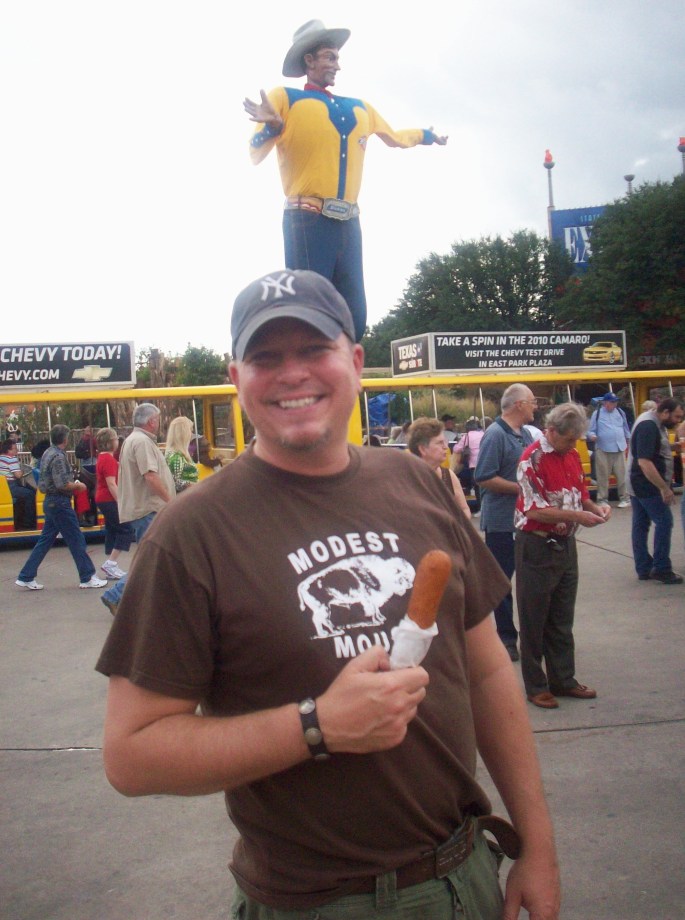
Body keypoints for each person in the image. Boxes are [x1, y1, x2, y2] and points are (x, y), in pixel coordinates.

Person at [96, 269, 560, 920]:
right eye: (265, 356)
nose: (292, 373)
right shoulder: (191, 534)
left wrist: (536, 845)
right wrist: (316, 727)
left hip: (468, 875)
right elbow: (132, 755)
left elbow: (484, 671)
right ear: (236, 378)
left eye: (313, 349)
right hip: (314, 904)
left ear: (355, 362)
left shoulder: (417, 483)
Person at [243, 21, 448, 342]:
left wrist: (427, 136)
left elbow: (394, 137)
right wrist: (273, 126)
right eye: (329, 57)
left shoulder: (359, 107)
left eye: (337, 58)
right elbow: (255, 152)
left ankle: (347, 384)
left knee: (355, 315)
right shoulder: (285, 98)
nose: (337, 65)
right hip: (307, 219)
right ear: (309, 61)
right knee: (311, 310)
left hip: (349, 221)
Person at [514, 404, 610, 709]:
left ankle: (563, 679)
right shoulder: (532, 459)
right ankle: (536, 685)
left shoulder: (569, 454)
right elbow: (535, 509)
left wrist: (594, 508)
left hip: (565, 543)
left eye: (576, 441)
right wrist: (579, 516)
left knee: (561, 616)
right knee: (534, 617)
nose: (573, 446)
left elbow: (579, 492)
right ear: (552, 431)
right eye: (569, 440)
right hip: (537, 544)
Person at [474, 385, 538, 662]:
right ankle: (506, 638)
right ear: (519, 404)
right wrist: (521, 489)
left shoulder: (523, 434)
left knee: (531, 580)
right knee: (502, 583)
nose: (536, 406)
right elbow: (483, 477)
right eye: (533, 402)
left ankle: (532, 637)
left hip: (526, 520)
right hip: (502, 523)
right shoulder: (496, 434)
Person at [100, 404, 175, 616]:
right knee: (151, 560)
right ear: (151, 421)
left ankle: (134, 600)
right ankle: (116, 595)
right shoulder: (141, 442)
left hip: (144, 509)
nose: (159, 424)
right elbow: (150, 476)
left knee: (153, 558)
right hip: (147, 509)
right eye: (158, 420)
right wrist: (171, 502)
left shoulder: (134, 440)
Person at [15, 425, 107, 591]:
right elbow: (62, 484)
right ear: (65, 439)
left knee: (45, 541)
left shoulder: (48, 453)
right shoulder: (58, 457)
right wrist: (79, 487)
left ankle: (26, 575)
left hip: (50, 501)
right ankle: (87, 576)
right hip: (60, 502)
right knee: (76, 539)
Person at [628, 397, 684, 585]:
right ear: (665, 412)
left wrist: (673, 446)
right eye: (676, 417)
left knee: (641, 524)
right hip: (647, 484)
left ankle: (644, 567)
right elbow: (645, 461)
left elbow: (652, 449)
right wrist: (664, 488)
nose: (678, 421)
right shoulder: (649, 426)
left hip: (638, 483)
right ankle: (661, 568)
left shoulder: (651, 421)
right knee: (665, 521)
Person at [407, 416, 471, 519]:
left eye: (445, 441)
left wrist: (458, 527)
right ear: (423, 449)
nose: (446, 446)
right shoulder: (406, 478)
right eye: (440, 443)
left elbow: (464, 509)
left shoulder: (448, 475)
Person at [95, 427, 133, 580]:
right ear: (111, 442)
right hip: (109, 499)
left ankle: (111, 561)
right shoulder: (109, 460)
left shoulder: (102, 458)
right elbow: (111, 483)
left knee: (112, 529)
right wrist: (121, 502)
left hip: (102, 498)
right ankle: (111, 562)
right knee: (126, 529)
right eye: (116, 439)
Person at [586, 392, 631, 508]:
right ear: (605, 403)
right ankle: (602, 500)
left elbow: (626, 428)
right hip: (603, 448)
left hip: (619, 448)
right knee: (602, 476)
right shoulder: (597, 414)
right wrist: (592, 436)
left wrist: (629, 440)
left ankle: (625, 498)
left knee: (622, 475)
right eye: (612, 402)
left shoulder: (621, 413)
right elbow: (590, 431)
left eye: (615, 401)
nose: (614, 404)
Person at [0, 438, 37, 530]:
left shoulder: (1, 458)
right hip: (10, 486)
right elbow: (18, 475)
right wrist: (22, 471)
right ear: (9, 450)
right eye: (15, 449)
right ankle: (28, 522)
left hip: (4, 487)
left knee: (23, 495)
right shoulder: (11, 459)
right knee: (30, 494)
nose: (17, 451)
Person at [452, 417, 485, 512]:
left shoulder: (467, 436)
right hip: (484, 462)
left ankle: (480, 509)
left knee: (477, 487)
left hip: (474, 465)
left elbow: (456, 449)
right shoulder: (483, 434)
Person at [164, 417, 199, 493]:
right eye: (190, 430)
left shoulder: (178, 453)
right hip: (185, 498)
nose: (191, 434)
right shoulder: (176, 456)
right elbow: (174, 483)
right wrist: (193, 486)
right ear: (183, 434)